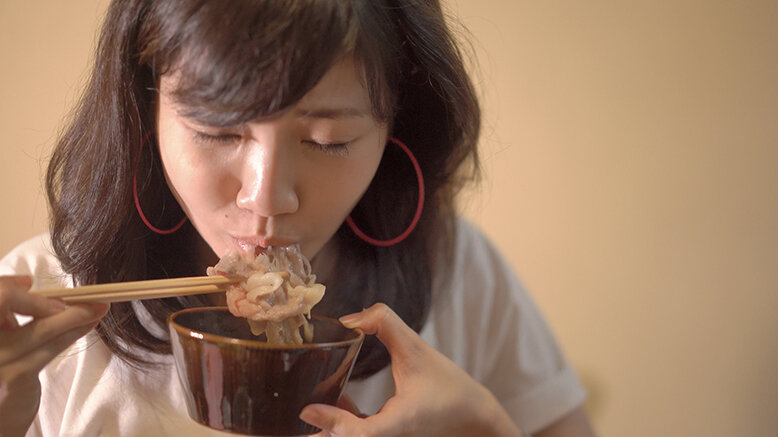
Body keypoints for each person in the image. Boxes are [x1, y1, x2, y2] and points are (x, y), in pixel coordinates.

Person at [0, 1, 595, 436]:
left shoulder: (460, 271)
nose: (266, 198)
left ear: (395, 130)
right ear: (145, 110)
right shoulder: (40, 296)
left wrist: (487, 426)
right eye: (218, 131)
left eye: (329, 140)